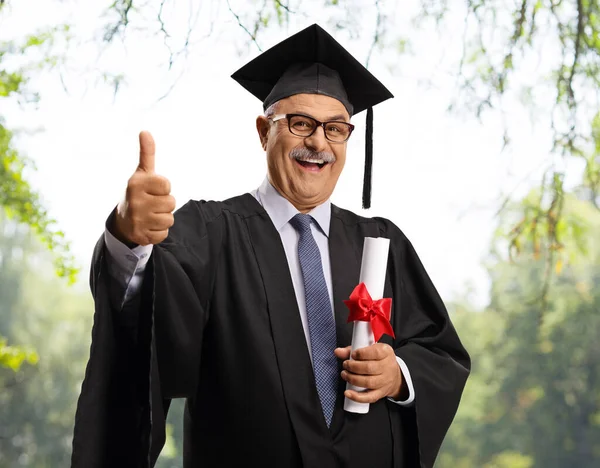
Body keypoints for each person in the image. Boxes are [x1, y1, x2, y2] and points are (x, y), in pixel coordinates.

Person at [71, 24, 470, 468]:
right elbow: (144, 315)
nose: (318, 142)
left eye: (336, 129)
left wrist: (398, 375)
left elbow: (440, 352)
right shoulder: (209, 232)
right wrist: (129, 237)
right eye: (300, 123)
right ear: (264, 132)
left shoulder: (381, 243)